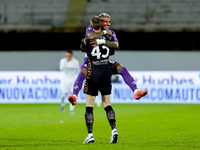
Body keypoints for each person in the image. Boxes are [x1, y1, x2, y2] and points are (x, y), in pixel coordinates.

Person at [68, 13, 147, 104]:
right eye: (105, 21)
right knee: (82, 73)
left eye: (109, 22)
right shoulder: (90, 29)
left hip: (104, 61)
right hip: (91, 60)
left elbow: (116, 44)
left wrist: (102, 41)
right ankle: (74, 96)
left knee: (121, 68)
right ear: (100, 22)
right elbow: (91, 36)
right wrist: (105, 33)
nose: (108, 24)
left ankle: (136, 92)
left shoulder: (111, 32)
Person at [69, 16, 118, 144]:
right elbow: (114, 48)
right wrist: (106, 34)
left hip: (93, 70)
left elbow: (84, 46)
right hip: (106, 70)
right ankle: (114, 130)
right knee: (107, 103)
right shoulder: (109, 35)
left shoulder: (89, 36)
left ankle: (90, 135)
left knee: (89, 106)